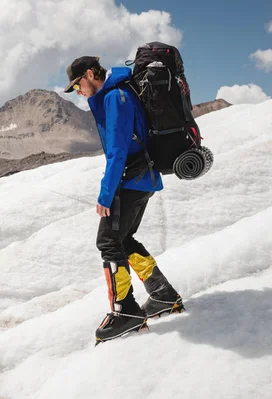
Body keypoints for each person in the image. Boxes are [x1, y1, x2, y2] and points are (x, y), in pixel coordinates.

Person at [63, 56, 184, 343]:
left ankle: (125, 311)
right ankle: (163, 294)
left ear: (91, 73)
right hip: (141, 180)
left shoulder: (115, 98)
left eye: (78, 84)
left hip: (131, 180)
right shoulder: (116, 94)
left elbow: (117, 152)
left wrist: (105, 196)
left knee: (108, 242)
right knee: (124, 239)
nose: (78, 92)